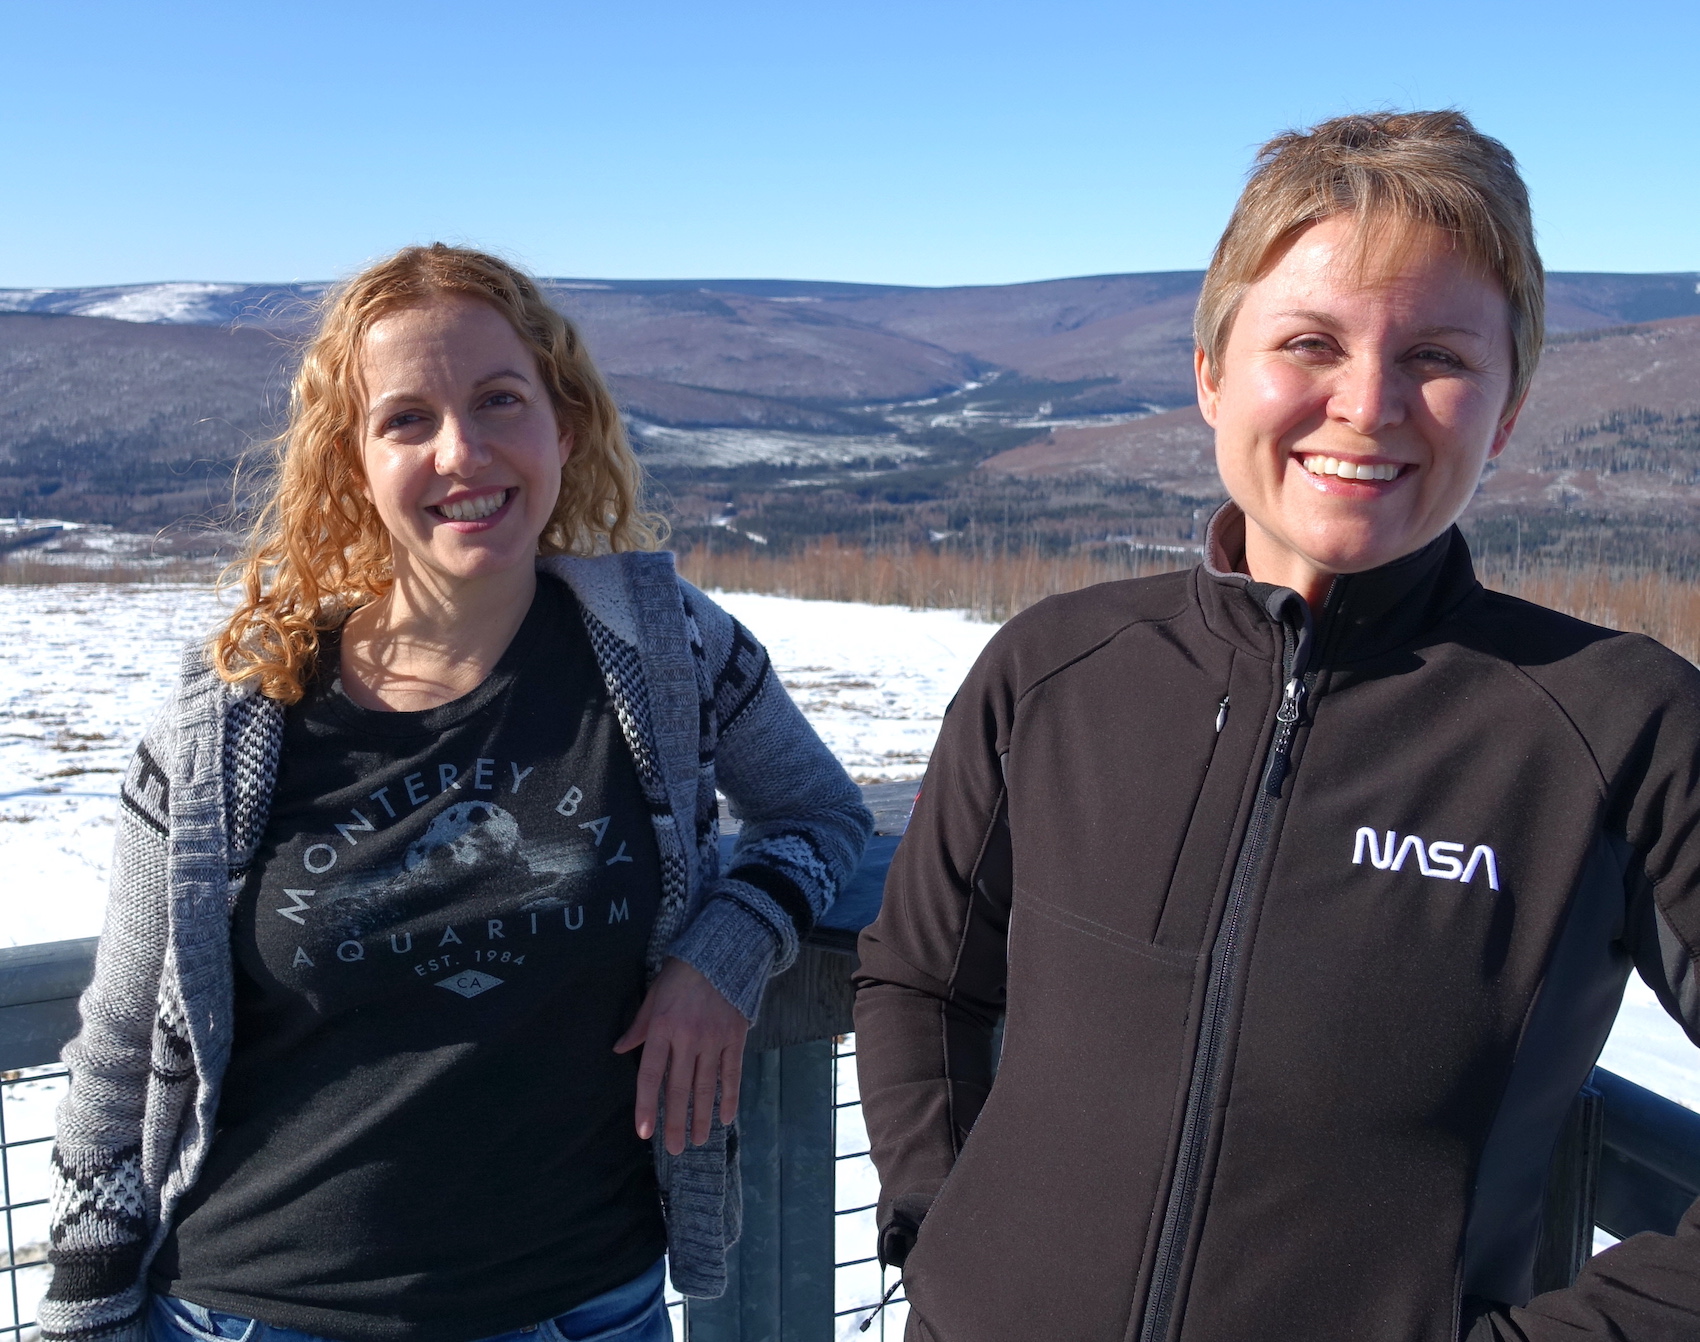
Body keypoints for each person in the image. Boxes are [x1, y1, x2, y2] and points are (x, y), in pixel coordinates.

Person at [853, 111, 1700, 1342]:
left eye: (1435, 357)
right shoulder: (1056, 669)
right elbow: (920, 979)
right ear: (1209, 373)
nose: (1365, 404)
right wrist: (943, 1237)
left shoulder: (1615, 728)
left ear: (1504, 410)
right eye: (1309, 341)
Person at [43, 244, 872, 1342]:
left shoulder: (665, 653)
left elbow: (820, 818)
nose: (461, 452)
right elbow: (118, 1049)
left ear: (562, 426)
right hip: (266, 1314)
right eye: (406, 420)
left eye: (497, 401)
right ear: (352, 459)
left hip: (588, 1307)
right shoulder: (226, 728)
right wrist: (85, 1315)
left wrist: (723, 953)